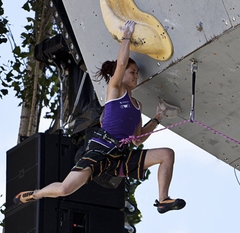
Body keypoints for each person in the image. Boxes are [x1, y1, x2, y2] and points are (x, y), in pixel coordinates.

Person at [14, 20, 186, 214]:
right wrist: (126, 37)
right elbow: (121, 62)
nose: (136, 76)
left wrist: (157, 118)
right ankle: (35, 194)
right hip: (100, 151)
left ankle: (163, 199)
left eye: (137, 73)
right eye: (132, 72)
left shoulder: (137, 105)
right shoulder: (115, 90)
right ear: (119, 75)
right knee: (64, 189)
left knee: (167, 154)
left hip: (121, 155)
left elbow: (138, 139)